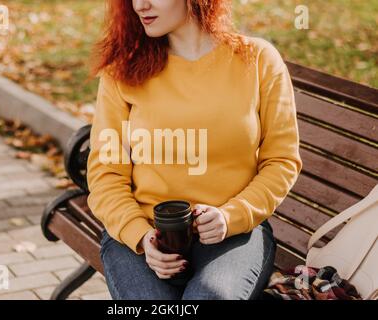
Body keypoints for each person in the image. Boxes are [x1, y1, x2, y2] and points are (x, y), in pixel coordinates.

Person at [85, 0, 303, 300]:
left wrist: (231, 217)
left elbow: (281, 160)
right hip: (141, 235)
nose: (140, 5)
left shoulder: (258, 60)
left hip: (234, 235)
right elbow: (106, 174)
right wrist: (141, 235)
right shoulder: (122, 71)